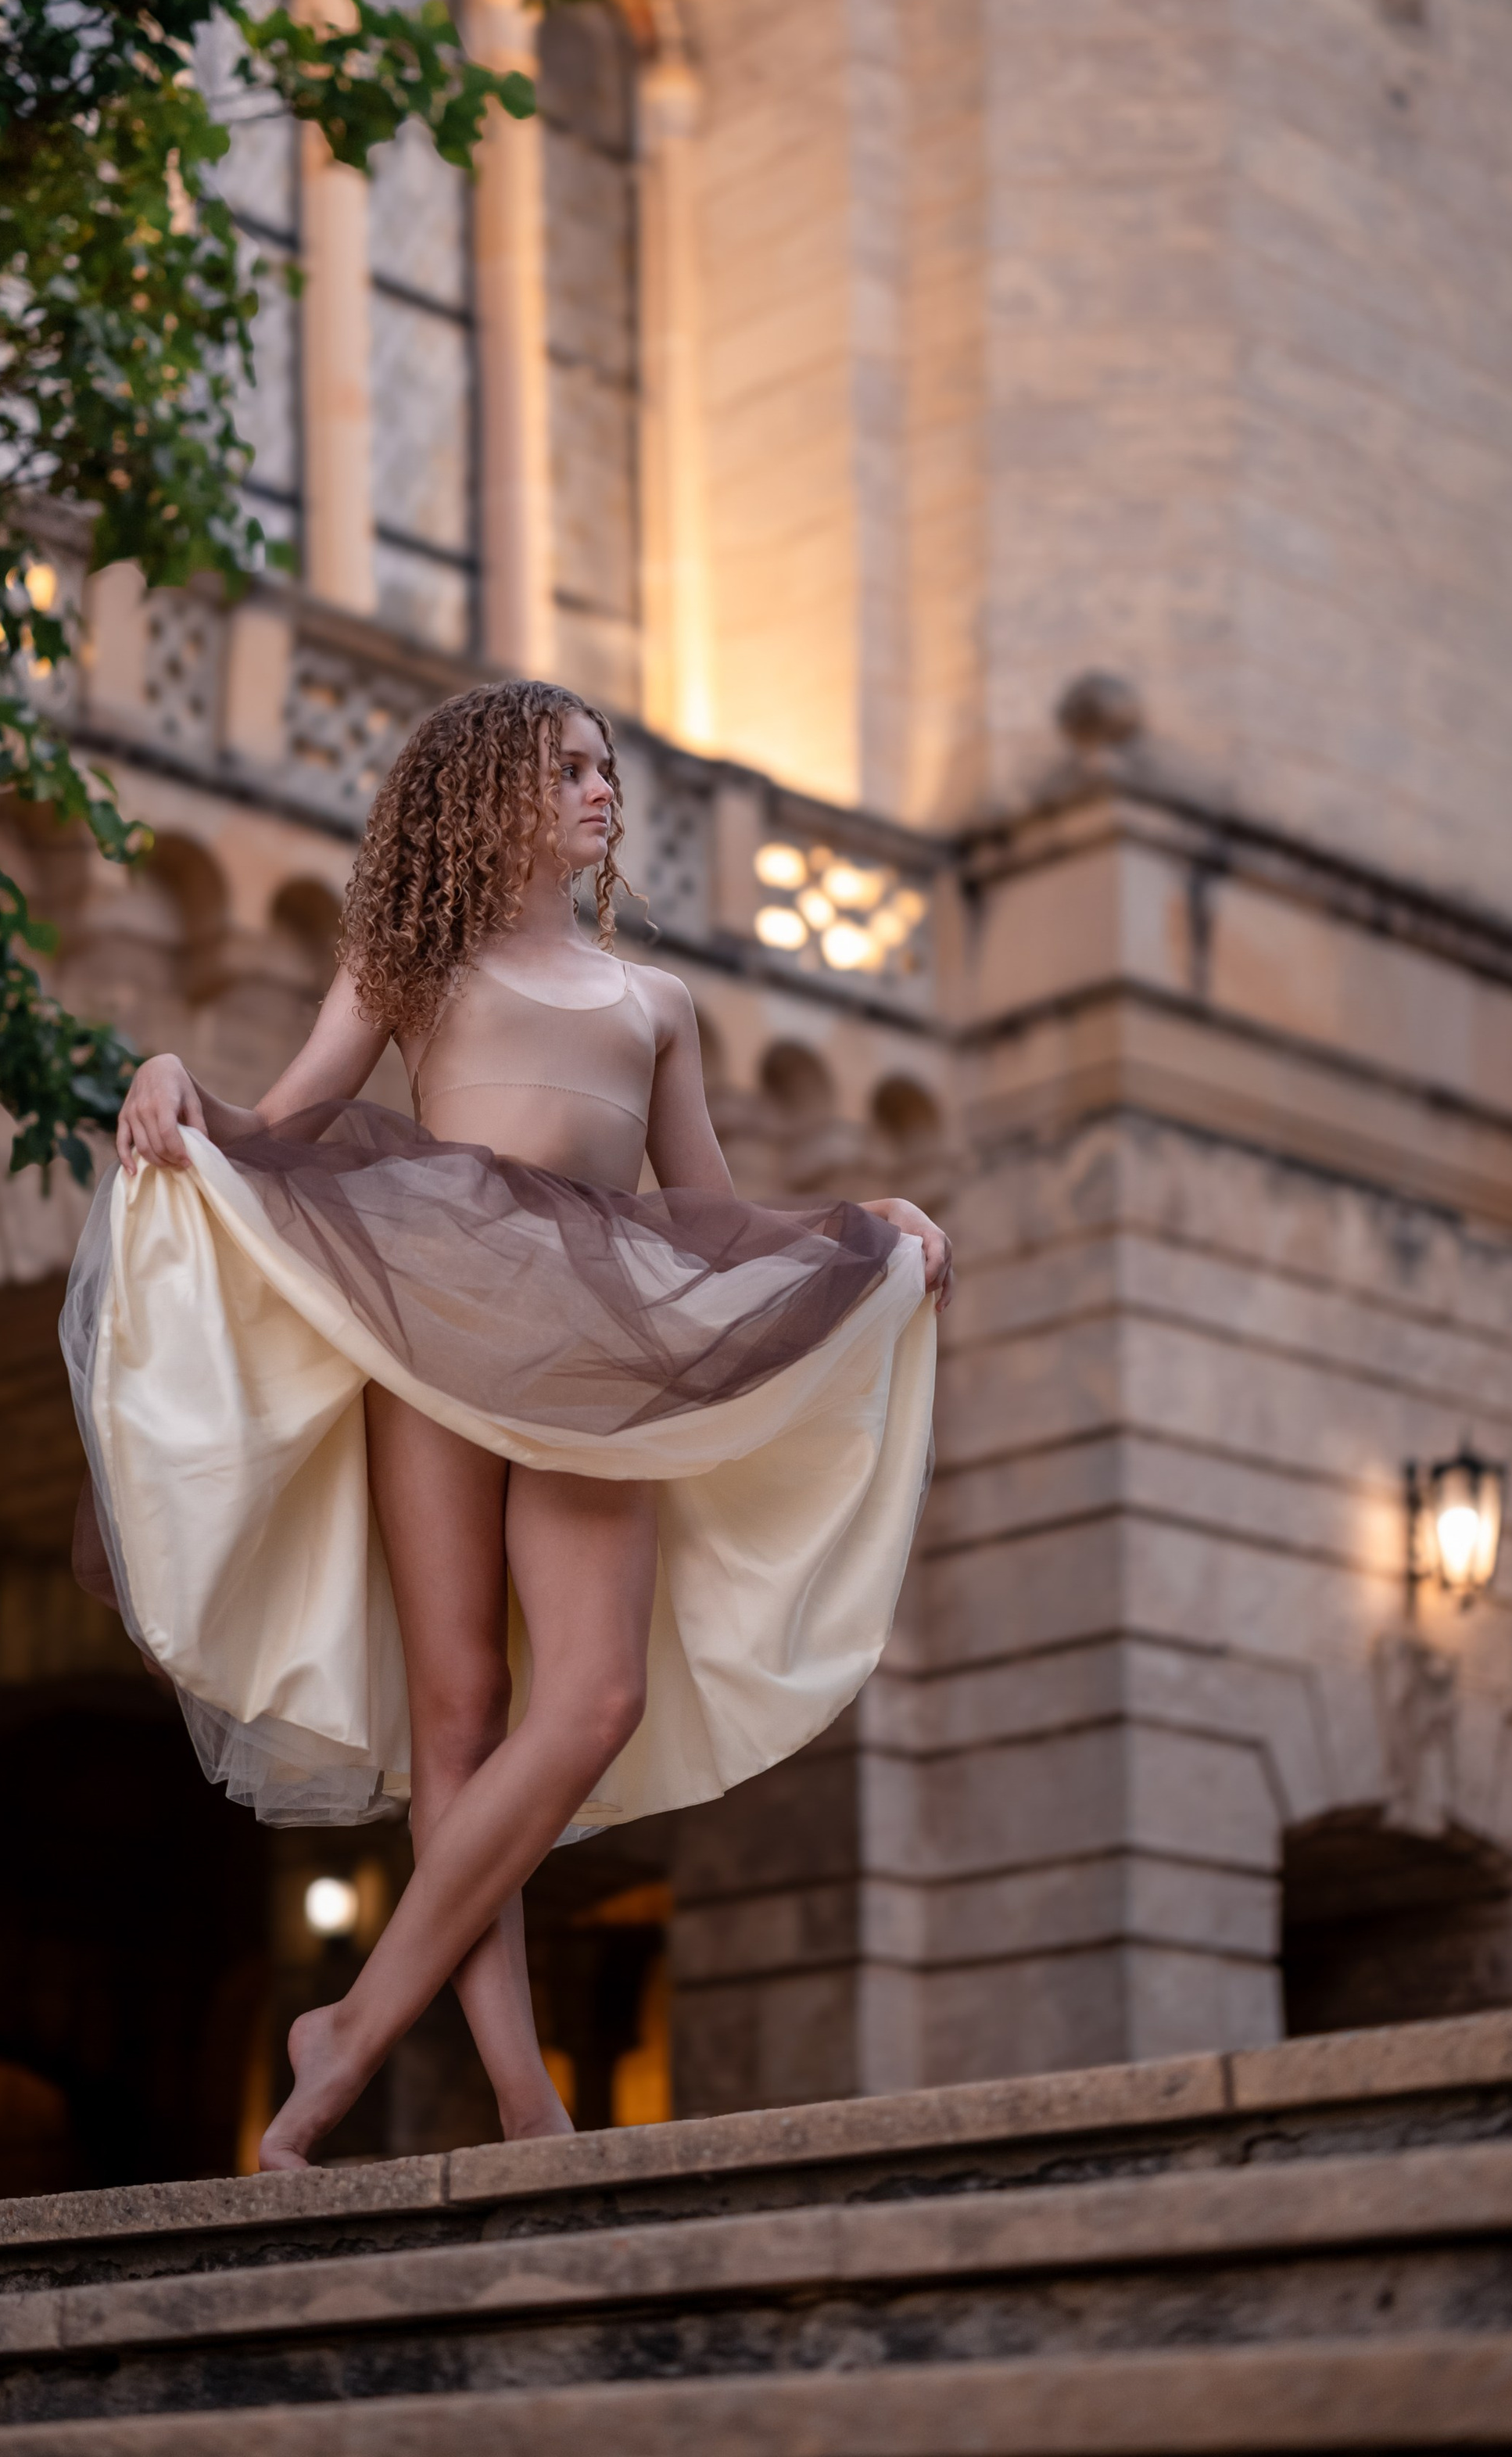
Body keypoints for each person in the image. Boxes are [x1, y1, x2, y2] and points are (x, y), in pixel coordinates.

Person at [72, 679, 950, 2170]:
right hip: (432, 1327)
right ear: (490, 791)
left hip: (600, 1355)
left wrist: (861, 1226)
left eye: (607, 768)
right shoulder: (411, 960)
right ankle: (523, 2095)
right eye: (570, 768)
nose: (603, 790)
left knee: (594, 1696)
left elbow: (708, 1214)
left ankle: (350, 2027)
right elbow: (279, 1123)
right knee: (461, 1711)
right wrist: (172, 1079)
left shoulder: (655, 1003)